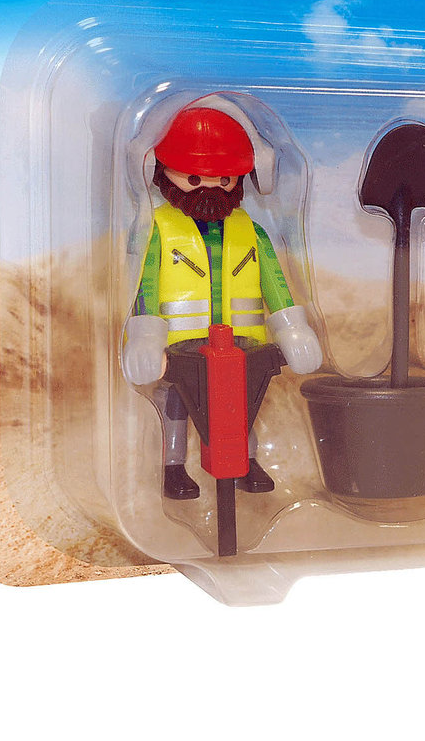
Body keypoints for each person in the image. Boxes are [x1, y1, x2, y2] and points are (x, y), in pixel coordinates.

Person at [121, 102, 322, 499]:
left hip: (244, 343)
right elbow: (144, 285)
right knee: (177, 406)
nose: (211, 187)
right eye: (195, 177)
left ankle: (246, 459)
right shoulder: (156, 229)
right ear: (159, 171)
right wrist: (144, 338)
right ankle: (173, 466)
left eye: (225, 178)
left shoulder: (252, 231)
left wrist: (293, 329)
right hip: (181, 346)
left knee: (241, 406)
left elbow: (275, 282)